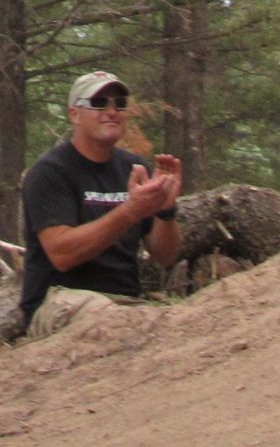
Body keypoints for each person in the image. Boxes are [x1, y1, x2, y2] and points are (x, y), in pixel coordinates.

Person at [18, 72, 182, 331]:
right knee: (111, 321)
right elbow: (62, 254)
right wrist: (129, 211)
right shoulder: (49, 172)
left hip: (125, 303)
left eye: (119, 103)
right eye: (99, 103)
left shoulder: (135, 168)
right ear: (74, 114)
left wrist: (166, 210)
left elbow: (166, 255)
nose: (111, 111)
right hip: (60, 301)